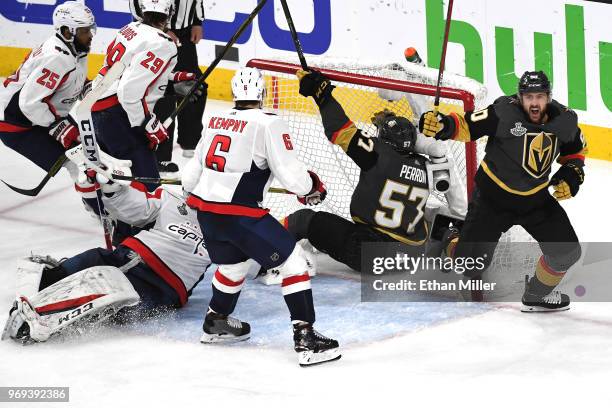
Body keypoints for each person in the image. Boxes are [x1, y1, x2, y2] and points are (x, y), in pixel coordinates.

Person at [181, 67, 340, 366]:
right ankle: (306, 337)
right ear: (262, 94)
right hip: (241, 215)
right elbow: (292, 176)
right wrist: (311, 188)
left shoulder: (215, 118)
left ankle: (216, 322)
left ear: (233, 94)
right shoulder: (268, 123)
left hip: (207, 213)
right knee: (293, 262)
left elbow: (190, 179)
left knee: (233, 266)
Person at [419, 71, 586, 312]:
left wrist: (571, 176)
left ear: (549, 97)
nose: (535, 103)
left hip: (535, 201)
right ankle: (449, 238)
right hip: (492, 200)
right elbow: (466, 125)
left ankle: (536, 294)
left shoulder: (565, 120)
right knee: (470, 265)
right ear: (520, 98)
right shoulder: (504, 112)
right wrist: (443, 125)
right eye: (529, 97)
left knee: (567, 252)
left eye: (540, 96)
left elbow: (575, 153)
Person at [2, 159, 211, 343]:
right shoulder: (172, 201)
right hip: (138, 266)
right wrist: (114, 189)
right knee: (97, 260)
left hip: (158, 281)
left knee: (106, 285)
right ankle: (49, 282)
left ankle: (42, 316)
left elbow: (239, 257)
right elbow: (134, 210)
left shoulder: (229, 223)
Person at [280, 69, 467, 273]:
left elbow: (340, 130)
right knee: (433, 214)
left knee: (304, 220)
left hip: (371, 254)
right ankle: (452, 244)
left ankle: (262, 247)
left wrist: (322, 95)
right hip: (410, 257)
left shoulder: (378, 154)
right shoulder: (426, 166)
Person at [91, 0, 203, 191]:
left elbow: (133, 73)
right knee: (148, 186)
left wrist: (175, 80)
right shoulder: (162, 44)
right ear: (170, 13)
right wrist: (147, 125)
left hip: (97, 108)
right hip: (118, 115)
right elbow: (129, 92)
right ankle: (129, 219)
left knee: (111, 175)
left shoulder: (130, 28)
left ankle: (103, 209)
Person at [0, 1, 98, 208]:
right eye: (83, 31)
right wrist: (59, 127)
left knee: (90, 149)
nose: (89, 35)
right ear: (66, 32)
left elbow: (66, 81)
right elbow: (29, 103)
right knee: (78, 163)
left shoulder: (74, 50)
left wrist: (86, 86)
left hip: (42, 116)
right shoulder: (56, 58)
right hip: (17, 125)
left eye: (90, 29)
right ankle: (99, 211)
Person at [129, 0, 207, 176]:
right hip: (156, 30)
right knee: (163, 91)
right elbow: (138, 4)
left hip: (185, 32)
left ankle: (190, 141)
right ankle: (161, 157)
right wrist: (160, 29)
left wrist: (197, 21)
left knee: (193, 86)